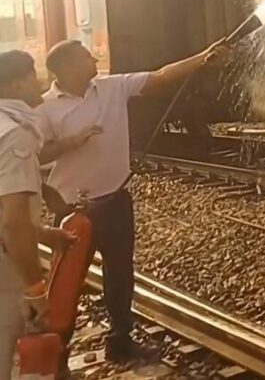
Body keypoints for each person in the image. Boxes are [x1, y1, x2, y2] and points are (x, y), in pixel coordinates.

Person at [36, 39, 226, 362]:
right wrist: (72, 141)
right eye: (85, 56)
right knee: (66, 280)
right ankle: (57, 349)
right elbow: (37, 154)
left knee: (120, 274)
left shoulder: (112, 87)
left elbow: (162, 76)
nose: (93, 57)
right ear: (66, 68)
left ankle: (120, 340)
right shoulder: (43, 108)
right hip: (72, 211)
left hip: (114, 201)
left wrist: (203, 58)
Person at [0, 51, 75, 377]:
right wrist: (35, 289)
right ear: (16, 85)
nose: (41, 80)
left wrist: (42, 233)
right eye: (33, 75)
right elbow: (12, 221)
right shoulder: (15, 136)